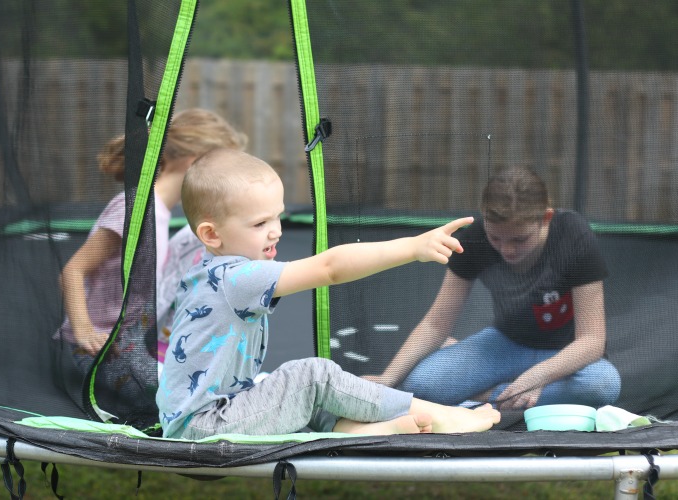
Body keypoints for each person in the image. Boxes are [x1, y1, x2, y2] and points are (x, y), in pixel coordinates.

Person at [156, 148, 500, 439]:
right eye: (260, 224)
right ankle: (438, 415)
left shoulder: (211, 267)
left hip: (208, 417)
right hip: (205, 428)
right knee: (314, 376)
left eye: (277, 217)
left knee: (295, 390)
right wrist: (413, 247)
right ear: (211, 234)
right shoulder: (236, 278)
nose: (276, 231)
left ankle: (351, 430)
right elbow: (330, 268)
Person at [364, 166, 621, 410]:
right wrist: (388, 378)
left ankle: (484, 397)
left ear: (546, 218)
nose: (507, 249)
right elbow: (436, 324)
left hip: (565, 354)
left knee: (603, 385)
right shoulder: (474, 238)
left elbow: (592, 340)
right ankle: (507, 396)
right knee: (420, 386)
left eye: (520, 239)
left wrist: (539, 376)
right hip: (505, 345)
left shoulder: (572, 234)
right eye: (495, 238)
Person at [57, 109, 247, 381]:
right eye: (222, 171)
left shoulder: (160, 213)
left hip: (130, 348)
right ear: (194, 163)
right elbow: (72, 272)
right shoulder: (135, 208)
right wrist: (85, 332)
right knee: (191, 391)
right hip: (93, 353)